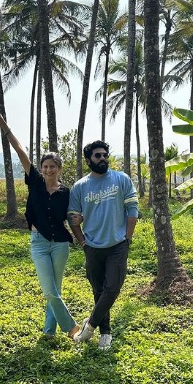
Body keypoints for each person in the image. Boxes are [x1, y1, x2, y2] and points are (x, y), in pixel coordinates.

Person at [0, 111, 79, 340]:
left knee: (55, 290)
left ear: (59, 168)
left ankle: (48, 332)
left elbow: (71, 217)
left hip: (60, 244)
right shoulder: (36, 182)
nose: (49, 170)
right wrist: (5, 126)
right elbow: (20, 150)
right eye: (45, 166)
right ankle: (72, 328)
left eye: (53, 166)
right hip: (39, 243)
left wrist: (80, 226)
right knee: (49, 290)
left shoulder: (66, 192)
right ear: (41, 169)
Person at [68, 140, 138, 350]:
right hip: (92, 246)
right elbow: (73, 216)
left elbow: (133, 209)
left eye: (104, 154)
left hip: (117, 244)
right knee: (98, 290)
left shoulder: (121, 179)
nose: (102, 158)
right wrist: (82, 241)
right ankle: (105, 334)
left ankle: (89, 327)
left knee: (113, 287)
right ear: (89, 160)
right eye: (97, 155)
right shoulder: (80, 186)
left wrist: (127, 238)